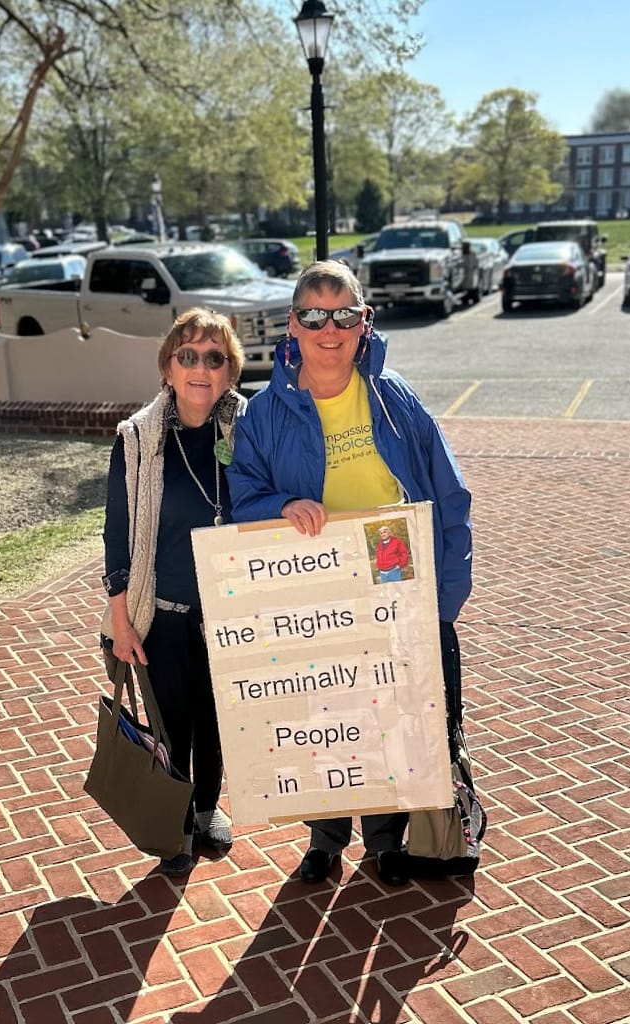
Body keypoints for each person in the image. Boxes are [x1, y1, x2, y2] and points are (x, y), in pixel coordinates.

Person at [227, 261, 472, 887]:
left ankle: (386, 840)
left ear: (364, 323)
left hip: (396, 578)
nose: (328, 328)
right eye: (313, 315)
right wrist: (280, 506)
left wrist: (445, 595)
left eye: (343, 314)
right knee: (324, 712)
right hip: (316, 590)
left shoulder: (396, 399)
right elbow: (240, 495)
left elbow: (450, 494)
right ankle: (325, 839)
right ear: (293, 324)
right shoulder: (264, 414)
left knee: (390, 710)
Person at [102, 307, 247, 877]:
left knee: (218, 715)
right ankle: (177, 816)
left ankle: (210, 807)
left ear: (230, 371)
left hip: (228, 608)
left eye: (215, 358)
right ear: (168, 366)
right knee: (172, 718)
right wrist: (120, 618)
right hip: (161, 610)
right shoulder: (137, 441)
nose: (200, 368)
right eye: (187, 355)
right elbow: (117, 536)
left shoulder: (247, 432)